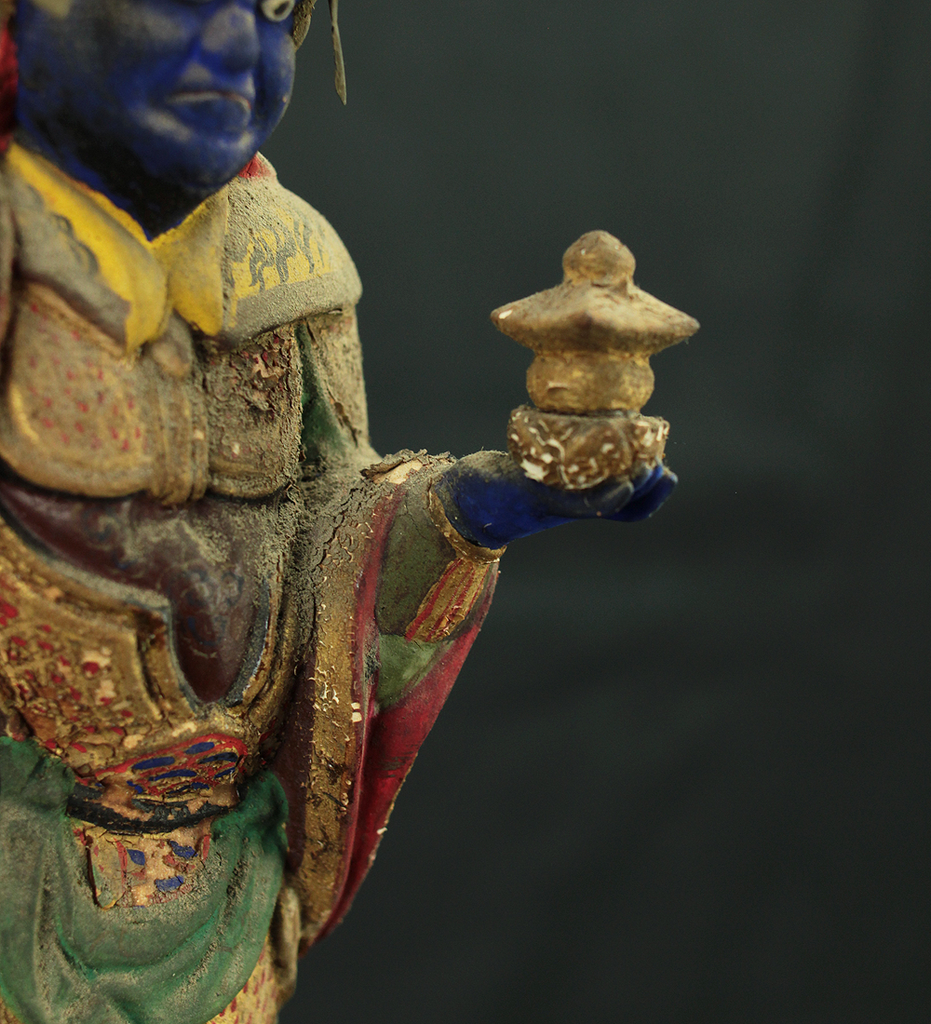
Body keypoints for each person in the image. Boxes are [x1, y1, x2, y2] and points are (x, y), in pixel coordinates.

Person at [0, 2, 675, 1022]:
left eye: (277, 8)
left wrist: (478, 507)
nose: (238, 46)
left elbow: (335, 531)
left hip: (226, 899)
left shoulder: (287, 265)